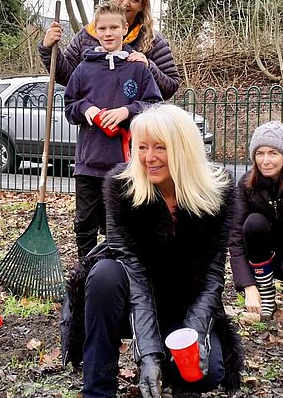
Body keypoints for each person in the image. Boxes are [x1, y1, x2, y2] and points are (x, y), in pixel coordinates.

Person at [61, 104, 243, 398]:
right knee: (105, 274)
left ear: (184, 149)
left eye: (161, 147)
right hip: (128, 301)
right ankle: (97, 390)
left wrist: (193, 336)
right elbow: (135, 277)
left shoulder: (217, 194)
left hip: (181, 303)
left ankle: (175, 370)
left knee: (208, 372)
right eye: (141, 147)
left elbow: (212, 278)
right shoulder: (123, 189)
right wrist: (148, 354)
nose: (149, 157)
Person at [64, 1, 163, 258]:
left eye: (114, 28)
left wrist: (126, 112)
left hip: (125, 166)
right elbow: (70, 106)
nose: (108, 33)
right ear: (95, 31)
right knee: (85, 224)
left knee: (118, 226)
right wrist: (87, 109)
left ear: (124, 28)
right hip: (88, 165)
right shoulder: (84, 69)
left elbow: (154, 105)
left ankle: (117, 272)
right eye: (102, 28)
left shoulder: (138, 69)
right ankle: (86, 269)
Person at [38, 0, 180, 100]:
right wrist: (49, 48)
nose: (126, 2)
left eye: (134, 0)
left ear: (142, 6)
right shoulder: (86, 36)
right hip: (95, 125)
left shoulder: (153, 41)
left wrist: (148, 66)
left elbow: (170, 87)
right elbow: (67, 76)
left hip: (137, 129)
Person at [229, 121, 283, 320]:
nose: (265, 160)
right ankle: (266, 292)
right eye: (260, 153)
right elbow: (235, 237)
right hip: (263, 260)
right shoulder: (246, 184)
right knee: (253, 222)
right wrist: (249, 286)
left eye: (273, 153)